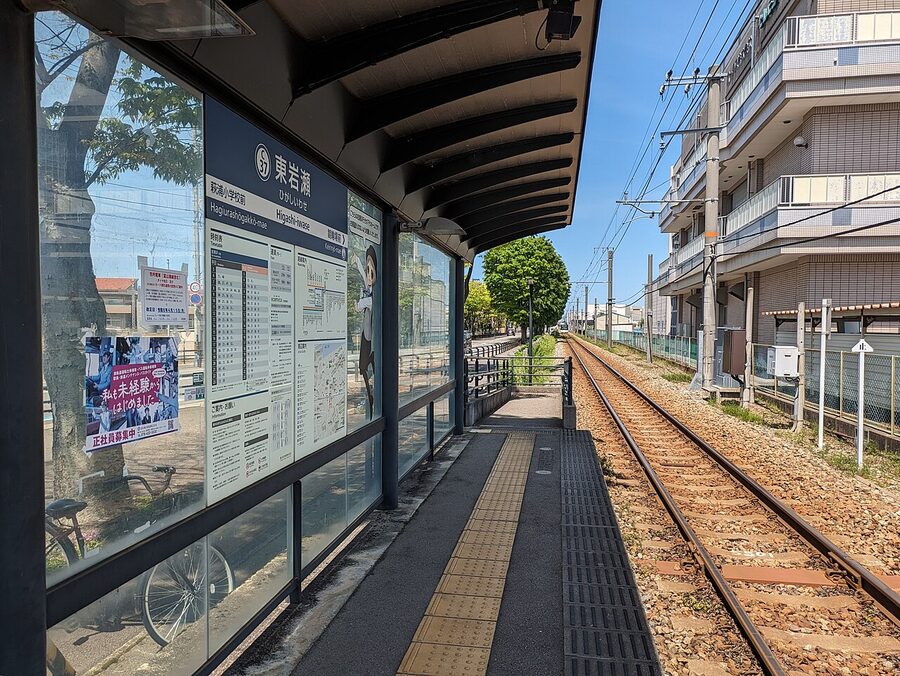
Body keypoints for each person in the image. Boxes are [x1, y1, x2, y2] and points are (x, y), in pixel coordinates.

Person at [353, 245, 377, 416]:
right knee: (365, 369)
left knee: (368, 368)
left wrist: (361, 302)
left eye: (371, 270)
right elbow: (365, 278)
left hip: (371, 340)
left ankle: (372, 399)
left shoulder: (373, 296)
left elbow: (359, 306)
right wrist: (359, 265)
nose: (369, 275)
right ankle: (370, 399)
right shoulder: (371, 291)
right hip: (367, 338)